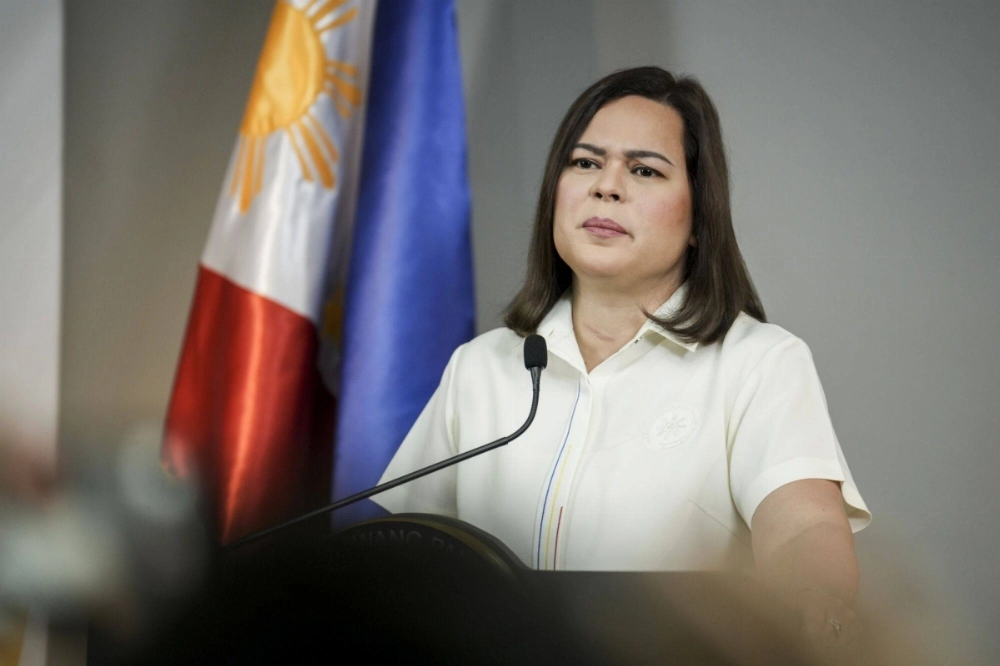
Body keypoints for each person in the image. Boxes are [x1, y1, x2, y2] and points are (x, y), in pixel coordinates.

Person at [372, 66, 870, 649]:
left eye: (643, 170)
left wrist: (814, 595)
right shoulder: (481, 366)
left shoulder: (759, 363)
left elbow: (803, 524)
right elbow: (403, 550)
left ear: (698, 218)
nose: (606, 187)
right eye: (585, 163)